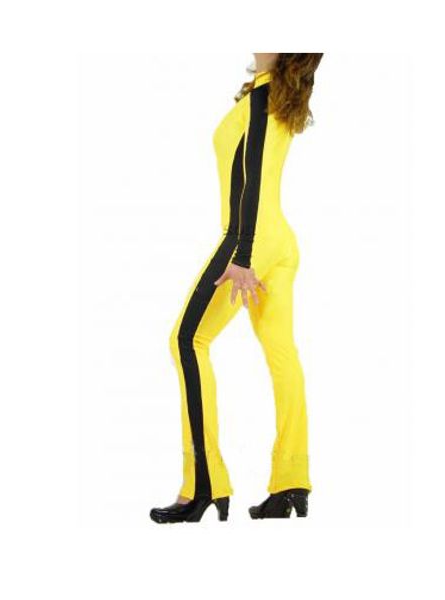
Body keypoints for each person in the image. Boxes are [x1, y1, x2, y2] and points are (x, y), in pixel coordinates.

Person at [150, 53, 323, 523]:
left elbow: (252, 177)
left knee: (187, 341)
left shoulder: (266, 96)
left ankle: (203, 485)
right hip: (279, 240)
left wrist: (243, 256)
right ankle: (291, 480)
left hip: (250, 238)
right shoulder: (275, 93)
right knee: (283, 356)